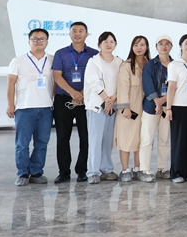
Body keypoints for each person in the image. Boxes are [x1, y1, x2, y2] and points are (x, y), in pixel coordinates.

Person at [6, 28, 55, 186]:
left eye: (42, 39)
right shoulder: (18, 61)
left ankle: (36, 172)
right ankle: (23, 173)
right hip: (25, 108)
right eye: (35, 39)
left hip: (46, 108)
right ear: (29, 41)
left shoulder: (53, 60)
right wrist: (10, 105)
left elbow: (55, 83)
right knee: (22, 144)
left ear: (47, 42)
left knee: (42, 143)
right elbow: (10, 84)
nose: (38, 41)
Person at [50, 21, 97, 183]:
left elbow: (95, 78)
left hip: (87, 100)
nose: (77, 34)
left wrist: (81, 95)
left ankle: (82, 170)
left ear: (86, 34)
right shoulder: (60, 53)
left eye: (81, 31)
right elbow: (57, 76)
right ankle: (64, 172)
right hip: (64, 99)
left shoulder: (94, 54)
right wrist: (73, 93)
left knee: (86, 136)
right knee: (63, 137)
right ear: (70, 34)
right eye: (74, 31)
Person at [83, 31, 121, 184]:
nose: (108, 44)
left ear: (115, 44)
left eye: (111, 41)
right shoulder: (93, 62)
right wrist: (106, 98)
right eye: (105, 42)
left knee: (107, 140)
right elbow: (93, 82)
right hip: (97, 105)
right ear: (99, 44)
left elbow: (122, 83)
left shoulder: (119, 62)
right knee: (95, 139)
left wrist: (113, 99)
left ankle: (107, 169)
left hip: (113, 105)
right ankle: (93, 172)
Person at [139, 34, 173, 183]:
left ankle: (162, 168)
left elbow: (176, 86)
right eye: (161, 44)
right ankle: (144, 169)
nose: (164, 47)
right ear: (156, 47)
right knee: (147, 138)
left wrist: (164, 100)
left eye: (167, 44)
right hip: (150, 107)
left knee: (164, 139)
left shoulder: (176, 64)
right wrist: (157, 102)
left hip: (168, 107)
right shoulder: (150, 65)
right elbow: (147, 84)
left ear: (171, 46)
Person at [165, 34, 187, 183]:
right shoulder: (174, 65)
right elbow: (171, 87)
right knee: (179, 141)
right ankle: (177, 172)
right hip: (179, 106)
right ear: (180, 46)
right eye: (186, 43)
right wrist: (169, 108)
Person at [114, 36, 148, 181]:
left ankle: (137, 168)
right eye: (136, 45)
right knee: (126, 138)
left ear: (147, 47)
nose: (139, 48)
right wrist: (125, 108)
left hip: (145, 109)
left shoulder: (149, 64)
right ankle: (125, 169)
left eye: (142, 45)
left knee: (141, 139)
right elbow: (122, 88)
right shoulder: (126, 65)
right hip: (129, 109)